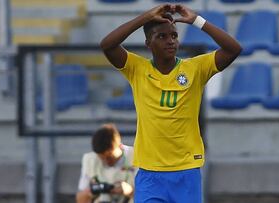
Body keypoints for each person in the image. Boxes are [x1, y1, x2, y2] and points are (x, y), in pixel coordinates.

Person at [100, 3, 242, 203]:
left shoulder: (196, 68)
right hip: (150, 173)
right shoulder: (137, 69)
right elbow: (107, 45)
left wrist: (197, 21)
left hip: (186, 172)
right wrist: (146, 17)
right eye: (162, 36)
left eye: (174, 36)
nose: (170, 41)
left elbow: (234, 49)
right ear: (148, 42)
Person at [76, 123, 136, 203]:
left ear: (119, 145)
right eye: (102, 158)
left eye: (109, 157)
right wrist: (94, 190)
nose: (106, 161)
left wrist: (129, 191)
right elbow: (80, 199)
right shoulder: (90, 160)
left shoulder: (136, 156)